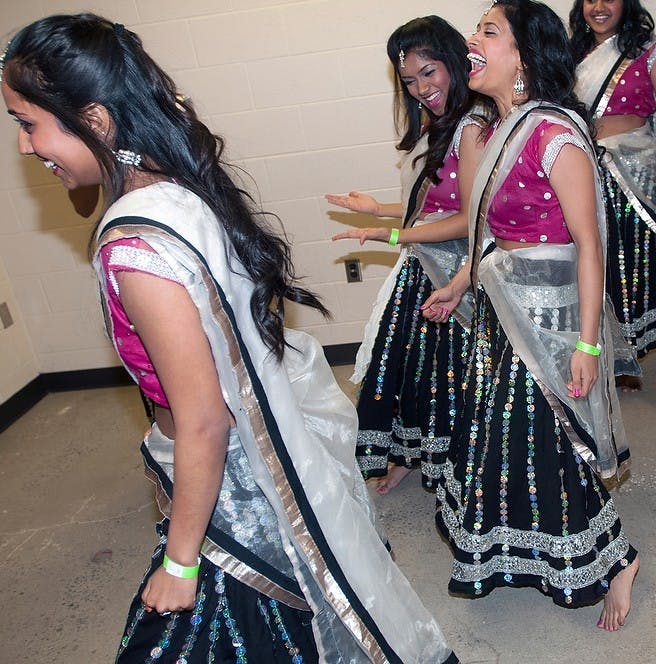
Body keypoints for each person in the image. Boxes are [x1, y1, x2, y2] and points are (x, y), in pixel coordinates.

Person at [0, 14, 457, 663]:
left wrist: (181, 565)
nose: (23, 147)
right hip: (248, 456)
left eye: (28, 124)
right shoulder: (172, 185)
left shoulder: (137, 249)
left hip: (233, 489)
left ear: (97, 120)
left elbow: (204, 419)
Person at [421, 0, 639, 632]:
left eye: (489, 31)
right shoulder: (493, 131)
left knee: (553, 440)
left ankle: (618, 559)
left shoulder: (555, 134)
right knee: (512, 441)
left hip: (550, 318)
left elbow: (590, 245)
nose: (471, 40)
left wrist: (590, 345)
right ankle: (537, 545)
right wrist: (462, 282)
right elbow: (487, 233)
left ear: (522, 55)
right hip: (500, 310)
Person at [328, 16, 483, 495]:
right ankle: (408, 455)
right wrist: (381, 210)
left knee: (452, 377)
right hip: (421, 262)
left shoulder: (473, 127)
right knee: (404, 372)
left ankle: (458, 462)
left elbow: (470, 217)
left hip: (456, 268)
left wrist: (396, 237)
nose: (421, 88)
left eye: (429, 72)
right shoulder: (434, 126)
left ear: (454, 62)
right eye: (410, 80)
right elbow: (429, 204)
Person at [569, 0, 656, 390]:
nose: (599, 6)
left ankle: (627, 357)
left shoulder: (651, 53)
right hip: (584, 170)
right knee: (590, 261)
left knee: (626, 266)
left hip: (635, 175)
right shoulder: (572, 53)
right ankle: (595, 349)